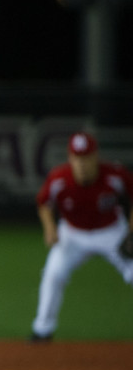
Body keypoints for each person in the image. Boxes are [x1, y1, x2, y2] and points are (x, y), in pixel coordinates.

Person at [29, 131, 133, 342]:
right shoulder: (60, 178)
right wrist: (50, 228)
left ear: (96, 156)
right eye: (77, 158)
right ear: (70, 158)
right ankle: (42, 330)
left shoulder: (114, 175)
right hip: (73, 234)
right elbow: (43, 203)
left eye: (86, 157)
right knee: (53, 274)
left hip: (111, 231)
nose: (82, 163)